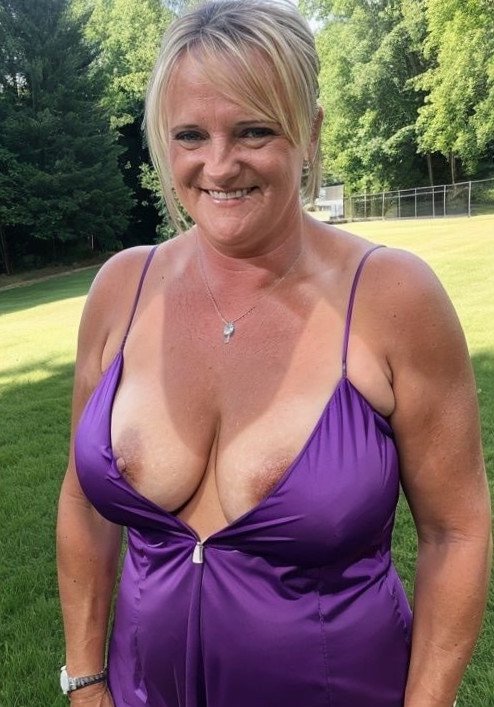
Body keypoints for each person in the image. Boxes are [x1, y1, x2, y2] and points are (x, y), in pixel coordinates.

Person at [56, 1, 492, 705]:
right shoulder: (120, 290)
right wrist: (85, 680)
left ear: (309, 132)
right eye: (190, 135)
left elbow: (455, 531)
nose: (219, 165)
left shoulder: (392, 298)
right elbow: (83, 503)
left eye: (253, 130)